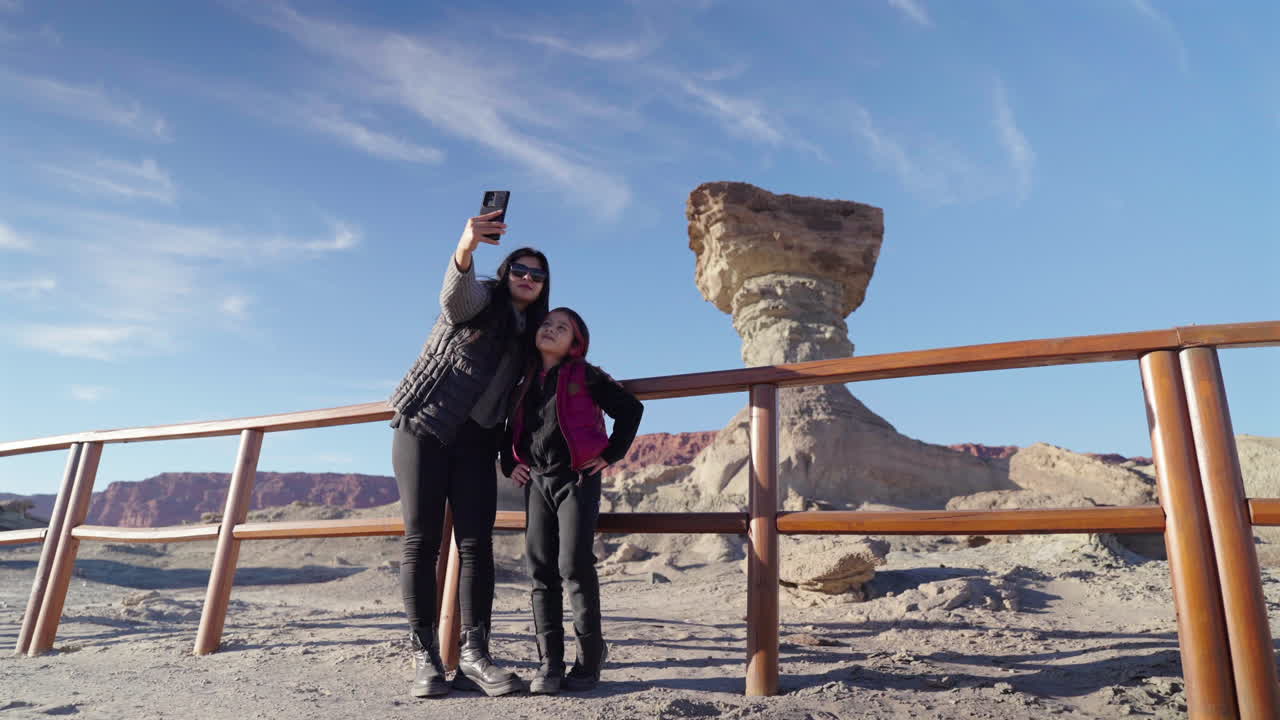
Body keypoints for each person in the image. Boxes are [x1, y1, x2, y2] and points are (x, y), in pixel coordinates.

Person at [387, 210, 550, 698]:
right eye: (519, 269)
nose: (526, 278)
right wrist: (466, 245)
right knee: (422, 541)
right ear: (505, 274)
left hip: (477, 442)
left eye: (537, 275)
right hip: (425, 426)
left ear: (545, 286)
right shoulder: (479, 301)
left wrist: (513, 451)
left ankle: (476, 655)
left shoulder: (532, 335)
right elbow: (452, 295)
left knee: (477, 544)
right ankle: (426, 659)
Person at [501, 307, 644, 694]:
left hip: (577, 479)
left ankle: (589, 658)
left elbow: (631, 410)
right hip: (537, 482)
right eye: (546, 324)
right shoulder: (523, 379)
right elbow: (505, 425)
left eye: (561, 328)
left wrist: (611, 454)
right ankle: (549, 663)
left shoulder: (586, 374)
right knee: (540, 569)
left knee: (574, 564)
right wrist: (507, 463)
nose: (550, 330)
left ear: (575, 342)